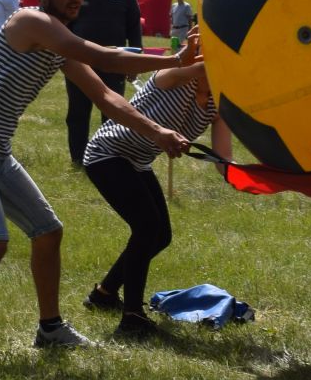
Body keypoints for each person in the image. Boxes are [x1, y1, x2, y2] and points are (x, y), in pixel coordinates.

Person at [0, 0, 192, 369]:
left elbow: (107, 98)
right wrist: (176, 60)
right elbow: (104, 56)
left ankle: (50, 328)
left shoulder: (57, 44)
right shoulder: (30, 21)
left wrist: (157, 133)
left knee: (48, 232)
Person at [81, 31, 231, 338]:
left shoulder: (218, 103)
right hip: (107, 153)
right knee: (147, 228)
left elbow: (222, 159)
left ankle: (104, 294)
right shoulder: (172, 75)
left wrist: (258, 176)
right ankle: (132, 317)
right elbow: (202, 67)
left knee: (160, 235)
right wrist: (204, 52)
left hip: (137, 161)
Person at [64, 0, 144, 165]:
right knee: (77, 113)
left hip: (113, 64)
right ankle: (78, 158)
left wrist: (134, 63)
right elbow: (67, 25)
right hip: (81, 62)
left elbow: (134, 30)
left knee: (112, 111)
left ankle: (108, 156)